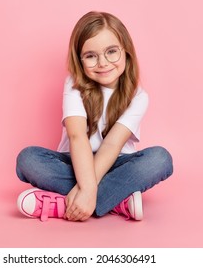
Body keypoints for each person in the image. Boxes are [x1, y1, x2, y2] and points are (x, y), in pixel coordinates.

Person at [16, 11, 173, 222]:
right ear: (79, 60)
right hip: (75, 161)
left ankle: (64, 204)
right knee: (28, 160)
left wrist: (89, 191)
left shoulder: (139, 97)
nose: (103, 62)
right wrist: (88, 187)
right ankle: (117, 201)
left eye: (111, 52)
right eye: (91, 56)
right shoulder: (74, 85)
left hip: (116, 162)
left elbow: (111, 145)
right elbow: (77, 137)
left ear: (125, 52)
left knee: (160, 159)